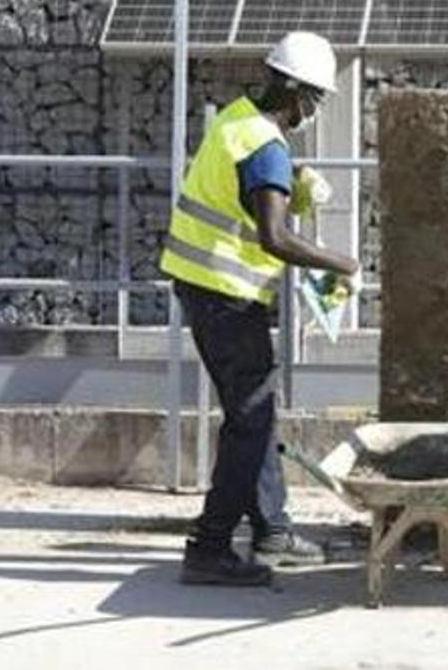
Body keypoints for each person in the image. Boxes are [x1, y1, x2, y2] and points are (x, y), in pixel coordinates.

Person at [160, 31, 360, 587]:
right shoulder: (265, 144)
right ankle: (211, 545)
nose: (312, 112)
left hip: (204, 289)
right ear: (293, 90)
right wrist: (340, 262)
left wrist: (293, 183)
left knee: (254, 415)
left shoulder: (236, 121)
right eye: (313, 100)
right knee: (250, 422)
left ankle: (271, 528)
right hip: (227, 296)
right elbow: (273, 237)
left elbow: (243, 189)